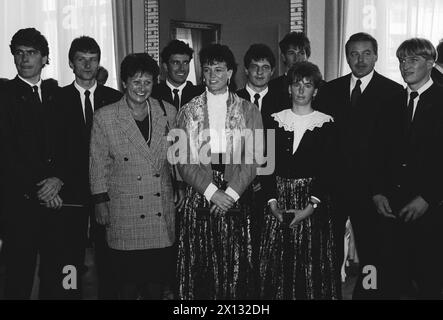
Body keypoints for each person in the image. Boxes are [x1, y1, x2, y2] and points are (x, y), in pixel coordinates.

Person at [315, 32, 404, 299]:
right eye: (354, 53)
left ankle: (368, 295)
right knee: (330, 250)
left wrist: (383, 189)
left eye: (366, 53)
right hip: (334, 188)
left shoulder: (393, 92)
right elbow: (322, 142)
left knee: (371, 252)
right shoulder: (329, 90)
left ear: (376, 56)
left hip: (372, 190)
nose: (360, 59)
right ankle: (331, 293)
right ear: (346, 57)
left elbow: (394, 147)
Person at [174, 43, 263, 299]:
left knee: (236, 263)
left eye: (219, 70)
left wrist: (231, 193)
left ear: (231, 73)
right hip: (199, 192)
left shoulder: (248, 109)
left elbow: (256, 156)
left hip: (237, 189)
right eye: (207, 69)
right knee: (201, 264)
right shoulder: (187, 111)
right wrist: (213, 192)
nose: (212, 76)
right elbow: (182, 159)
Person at [89, 53, 177, 299]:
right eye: (136, 82)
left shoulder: (167, 112)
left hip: (159, 205)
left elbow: (178, 156)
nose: (142, 88)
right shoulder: (105, 116)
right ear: (124, 83)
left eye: (147, 82)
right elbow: (98, 164)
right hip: (124, 209)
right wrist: (100, 202)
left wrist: (179, 187)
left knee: (155, 284)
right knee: (126, 284)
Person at [260, 62, 340, 299]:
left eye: (308, 85)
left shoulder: (327, 123)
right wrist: (272, 203)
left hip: (311, 204)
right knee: (278, 266)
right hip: (278, 201)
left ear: (316, 90)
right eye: (297, 84)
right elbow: (266, 164)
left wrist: (309, 207)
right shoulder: (273, 120)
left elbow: (329, 171)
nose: (301, 90)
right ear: (289, 89)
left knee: (310, 266)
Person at [0, 28, 69, 299]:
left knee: (59, 275)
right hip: (19, 205)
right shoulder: (3, 96)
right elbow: (6, 152)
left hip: (58, 202)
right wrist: (42, 189)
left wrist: (58, 179)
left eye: (31, 53)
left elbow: (69, 145)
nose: (24, 59)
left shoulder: (58, 95)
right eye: (19, 53)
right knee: (18, 277)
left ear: (45, 58)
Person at [371, 38, 443, 299]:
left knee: (429, 283)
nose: (405, 65)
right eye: (402, 60)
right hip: (391, 211)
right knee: (391, 282)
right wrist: (377, 193)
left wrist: (428, 198)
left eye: (413, 59)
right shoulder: (391, 103)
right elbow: (377, 154)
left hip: (432, 212)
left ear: (431, 63)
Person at [60, 36, 122, 299]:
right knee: (69, 255)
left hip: (108, 192)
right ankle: (70, 294)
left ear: (99, 62)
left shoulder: (115, 98)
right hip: (70, 193)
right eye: (81, 59)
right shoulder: (57, 99)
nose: (87, 65)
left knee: (107, 254)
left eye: (93, 59)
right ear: (71, 63)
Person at [152, 40, 203, 110]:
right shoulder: (154, 94)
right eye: (176, 63)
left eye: (185, 63)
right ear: (165, 66)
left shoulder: (200, 95)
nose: (182, 68)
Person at [268, 32, 311, 111]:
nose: (297, 58)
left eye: (301, 53)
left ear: (307, 56)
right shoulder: (271, 88)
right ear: (283, 57)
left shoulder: (320, 87)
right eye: (291, 53)